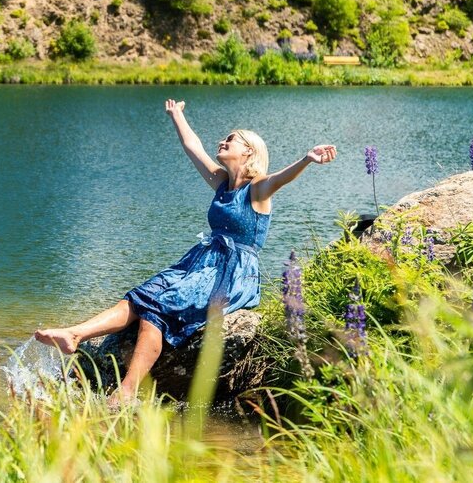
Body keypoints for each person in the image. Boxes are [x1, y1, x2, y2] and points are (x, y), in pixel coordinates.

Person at [35, 98, 336, 407]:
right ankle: (75, 334)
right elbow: (193, 147)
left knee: (161, 309)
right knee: (142, 296)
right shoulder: (221, 182)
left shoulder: (257, 188)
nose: (222, 141)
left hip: (232, 273)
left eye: (230, 139)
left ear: (248, 151)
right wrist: (177, 114)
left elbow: (279, 179)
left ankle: (126, 392)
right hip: (201, 262)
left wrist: (306, 159)